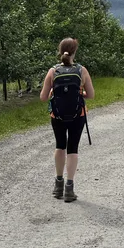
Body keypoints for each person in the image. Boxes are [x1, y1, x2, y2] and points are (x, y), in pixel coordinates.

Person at [39, 37, 95, 203]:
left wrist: (52, 94)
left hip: (57, 115)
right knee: (73, 149)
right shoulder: (82, 71)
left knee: (60, 146)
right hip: (78, 115)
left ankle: (58, 185)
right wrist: (80, 94)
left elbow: (43, 97)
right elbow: (91, 95)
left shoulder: (53, 71)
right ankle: (69, 188)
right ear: (75, 51)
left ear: (60, 50)